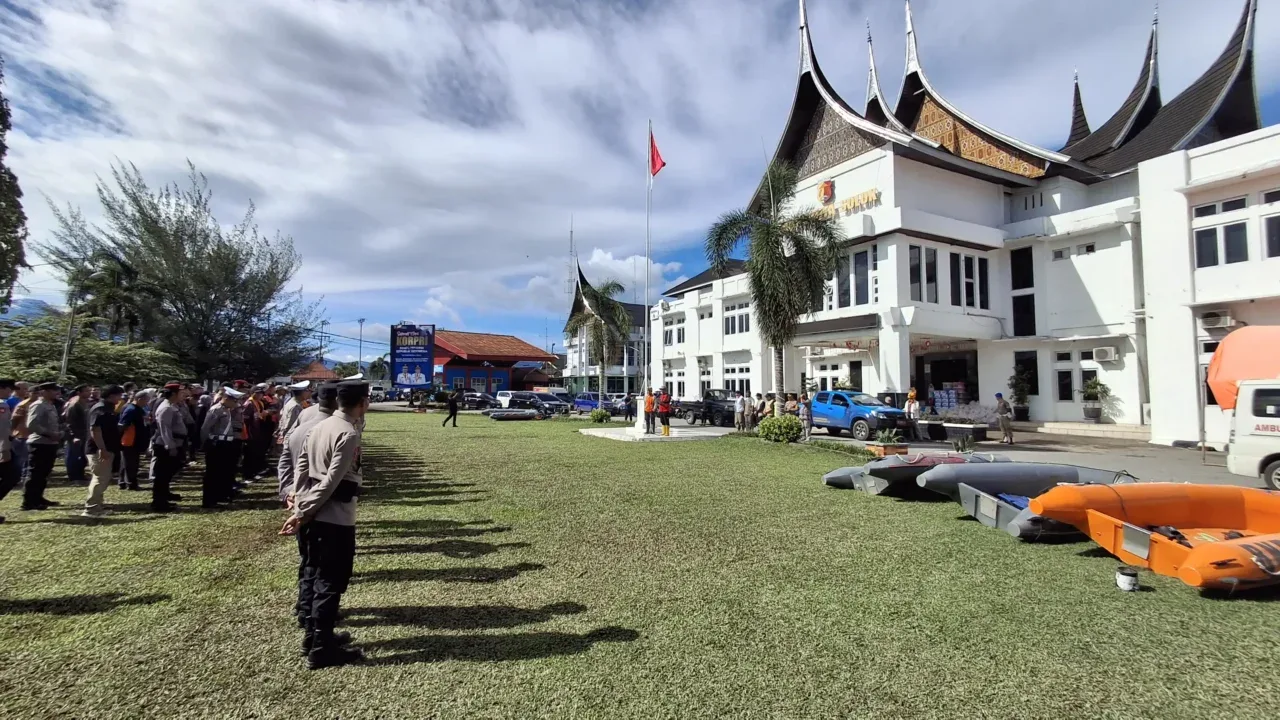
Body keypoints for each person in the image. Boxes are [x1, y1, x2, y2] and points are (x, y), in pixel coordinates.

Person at [281, 380, 368, 669]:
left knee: (315, 572)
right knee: (331, 580)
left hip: (312, 513)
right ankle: (321, 648)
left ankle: (314, 636)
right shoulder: (348, 433)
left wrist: (299, 502)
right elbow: (332, 481)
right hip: (334, 517)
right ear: (362, 403)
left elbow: (301, 468)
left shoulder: (319, 426)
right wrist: (304, 510)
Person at [282, 382, 339, 628]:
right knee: (321, 564)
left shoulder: (302, 423)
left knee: (307, 559)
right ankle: (311, 614)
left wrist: (288, 492)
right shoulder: (332, 429)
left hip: (299, 499)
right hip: (320, 504)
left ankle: (304, 607)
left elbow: (285, 460)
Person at [82, 385, 125, 517]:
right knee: (100, 478)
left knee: (104, 478)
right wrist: (102, 449)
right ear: (111, 395)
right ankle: (91, 508)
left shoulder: (108, 408)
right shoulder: (100, 408)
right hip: (99, 449)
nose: (121, 398)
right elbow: (95, 429)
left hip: (108, 448)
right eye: (119, 395)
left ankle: (98, 505)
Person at [202, 388, 247, 508]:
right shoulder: (216, 410)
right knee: (212, 473)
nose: (235, 404)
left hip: (226, 443)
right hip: (216, 443)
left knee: (223, 471)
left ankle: (220, 495)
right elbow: (205, 428)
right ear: (226, 399)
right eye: (234, 401)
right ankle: (209, 500)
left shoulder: (226, 410)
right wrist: (205, 445)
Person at [23, 382, 63, 511]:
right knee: (35, 473)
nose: (56, 393)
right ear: (43, 392)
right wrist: (49, 434)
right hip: (39, 443)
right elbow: (32, 424)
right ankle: (29, 501)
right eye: (52, 390)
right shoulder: (38, 405)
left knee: (44, 473)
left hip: (50, 444)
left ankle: (38, 497)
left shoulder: (50, 405)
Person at [150, 382, 189, 512]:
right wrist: (170, 445)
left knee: (167, 473)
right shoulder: (166, 408)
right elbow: (164, 429)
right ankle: (159, 502)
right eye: (181, 393)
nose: (183, 395)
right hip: (165, 446)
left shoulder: (173, 406)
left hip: (175, 443)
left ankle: (164, 496)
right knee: (162, 475)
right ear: (173, 394)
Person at [117, 389, 150, 491]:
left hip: (135, 439)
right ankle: (131, 483)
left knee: (126, 462)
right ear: (139, 399)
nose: (147, 402)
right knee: (131, 463)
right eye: (146, 400)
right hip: (129, 440)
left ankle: (122, 482)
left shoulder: (139, 409)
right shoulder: (131, 409)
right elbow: (123, 424)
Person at [61, 385, 92, 485]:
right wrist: (74, 436)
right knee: (74, 456)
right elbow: (70, 421)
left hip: (84, 433)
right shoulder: (74, 404)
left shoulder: (85, 403)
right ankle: (74, 477)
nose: (89, 393)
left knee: (82, 456)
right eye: (86, 391)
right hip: (75, 435)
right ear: (79, 392)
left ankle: (80, 474)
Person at [0, 379, 16, 523]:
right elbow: (3, 429)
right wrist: (5, 449)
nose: (10, 393)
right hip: (1, 448)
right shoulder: (2, 405)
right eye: (9, 389)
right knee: (11, 476)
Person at [277, 380, 313, 445]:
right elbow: (289, 425)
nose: (310, 393)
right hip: (291, 438)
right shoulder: (295, 406)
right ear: (302, 392)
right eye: (308, 391)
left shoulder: (293, 402)